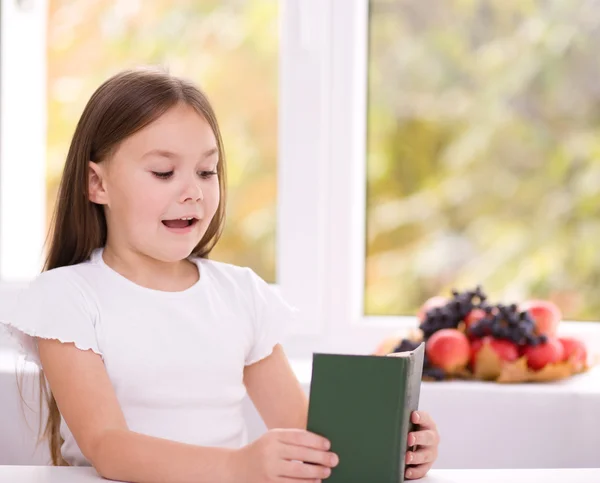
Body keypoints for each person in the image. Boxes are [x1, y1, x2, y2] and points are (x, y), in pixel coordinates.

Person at [0, 67, 439, 482]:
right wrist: (238, 467)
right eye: (164, 172)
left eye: (207, 171)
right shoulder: (66, 299)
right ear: (97, 184)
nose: (192, 191)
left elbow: (313, 441)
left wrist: (393, 447)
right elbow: (107, 447)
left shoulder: (240, 294)